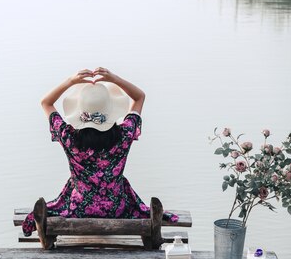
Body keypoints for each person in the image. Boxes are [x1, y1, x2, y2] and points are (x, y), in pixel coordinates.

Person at [21, 67, 178, 237]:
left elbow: (46, 103)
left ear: (80, 112)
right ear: (111, 111)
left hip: (79, 208)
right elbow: (140, 97)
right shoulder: (124, 135)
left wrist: (71, 81)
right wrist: (114, 79)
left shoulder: (68, 137)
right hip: (117, 208)